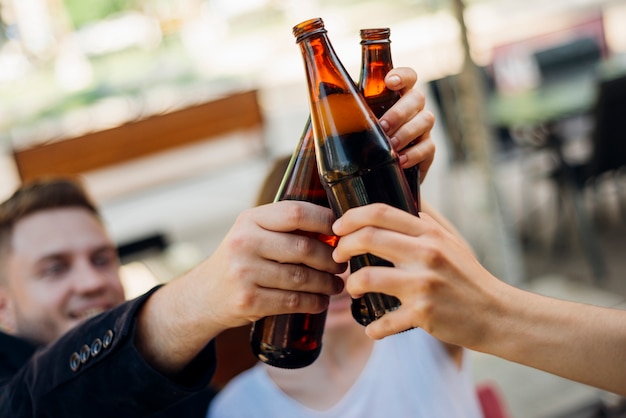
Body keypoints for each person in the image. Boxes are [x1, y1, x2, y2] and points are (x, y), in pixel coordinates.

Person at [0, 67, 428, 417]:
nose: (91, 281)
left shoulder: (197, 403)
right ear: (3, 304)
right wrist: (197, 297)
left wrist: (385, 189)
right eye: (54, 268)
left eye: (102, 259)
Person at [206, 77, 484, 417]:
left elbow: (474, 284)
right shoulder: (237, 408)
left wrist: (395, 184)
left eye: (355, 238)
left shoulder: (427, 333)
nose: (337, 264)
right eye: (306, 248)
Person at [331, 203, 626, 397]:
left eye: (356, 249)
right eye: (320, 252)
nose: (346, 277)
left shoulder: (422, 332)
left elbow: (450, 265)